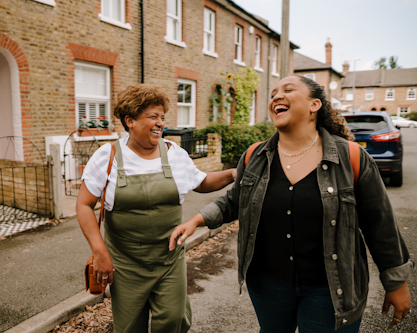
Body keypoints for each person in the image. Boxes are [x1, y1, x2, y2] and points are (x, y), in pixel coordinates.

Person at [170, 75, 413, 332]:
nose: (276, 96)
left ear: (314, 105)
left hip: (330, 287)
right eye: (273, 92)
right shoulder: (254, 156)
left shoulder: (350, 157)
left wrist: (396, 282)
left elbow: (380, 223)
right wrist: (197, 220)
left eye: (288, 90)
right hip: (268, 284)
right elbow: (236, 200)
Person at [76, 84, 236, 333]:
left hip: (169, 259)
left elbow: (201, 182)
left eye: (162, 117)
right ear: (130, 120)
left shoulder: (175, 154)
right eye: (153, 117)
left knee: (173, 320)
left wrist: (234, 173)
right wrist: (99, 252)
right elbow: (84, 205)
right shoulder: (107, 157)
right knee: (129, 328)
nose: (160, 123)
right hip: (125, 263)